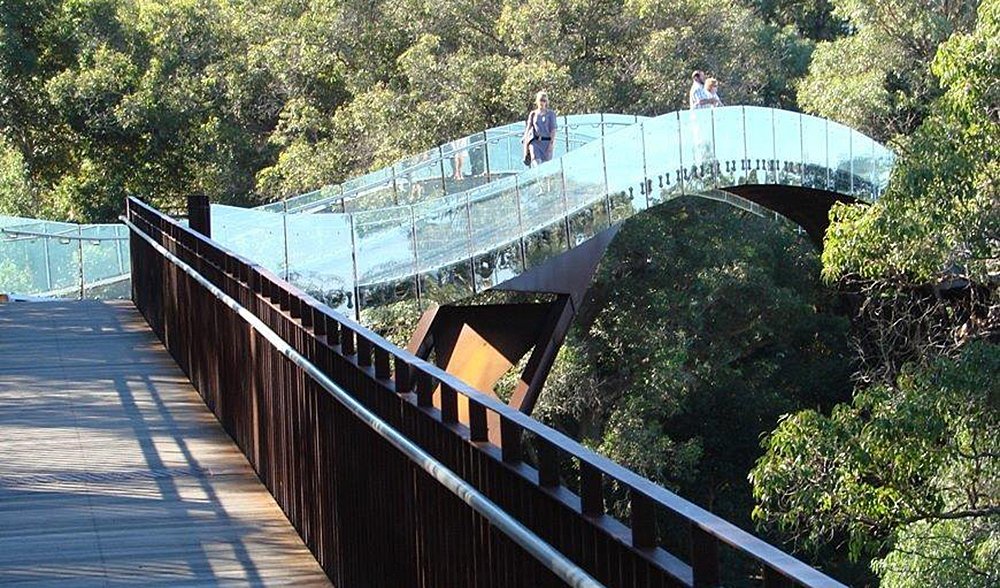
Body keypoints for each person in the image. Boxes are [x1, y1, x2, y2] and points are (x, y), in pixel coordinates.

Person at [522, 91, 558, 166]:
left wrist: (551, 144)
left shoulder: (550, 114)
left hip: (546, 143)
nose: (542, 102)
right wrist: (525, 149)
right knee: (536, 163)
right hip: (535, 143)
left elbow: (553, 130)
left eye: (544, 101)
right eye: (540, 100)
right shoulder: (533, 114)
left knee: (546, 167)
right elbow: (528, 130)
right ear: (537, 101)